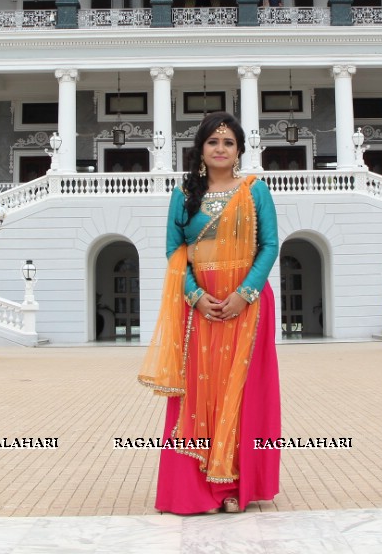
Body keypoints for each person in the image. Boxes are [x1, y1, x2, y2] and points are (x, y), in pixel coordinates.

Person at [138, 111, 281, 515]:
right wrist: (196, 295)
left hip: (246, 305)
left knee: (243, 394)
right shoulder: (183, 197)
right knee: (200, 392)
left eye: (229, 143)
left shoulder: (255, 191)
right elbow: (174, 252)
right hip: (200, 305)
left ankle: (237, 485)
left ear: (239, 151)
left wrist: (246, 293)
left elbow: (269, 245)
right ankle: (197, 488)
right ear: (200, 149)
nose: (221, 149)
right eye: (213, 142)